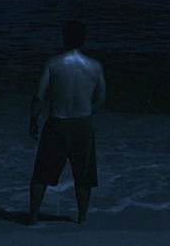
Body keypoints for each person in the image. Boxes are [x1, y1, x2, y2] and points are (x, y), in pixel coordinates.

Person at [29, 21, 106, 225]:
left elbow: (39, 95)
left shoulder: (53, 63)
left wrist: (33, 120)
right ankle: (82, 218)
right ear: (83, 39)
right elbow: (101, 97)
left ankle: (33, 218)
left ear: (64, 38)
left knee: (41, 174)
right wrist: (88, 111)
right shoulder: (95, 66)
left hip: (57, 124)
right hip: (83, 125)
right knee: (83, 176)